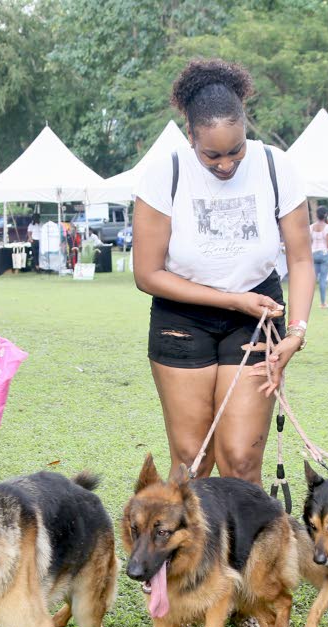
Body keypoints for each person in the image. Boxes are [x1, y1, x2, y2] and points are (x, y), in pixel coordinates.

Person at [133, 56, 313, 485]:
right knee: (192, 462)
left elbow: (302, 259)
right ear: (190, 134)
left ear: (246, 126)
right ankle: (192, 552)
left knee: (241, 461)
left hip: (257, 320)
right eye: (211, 154)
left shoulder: (276, 166)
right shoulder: (164, 174)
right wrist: (232, 300)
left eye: (236, 149)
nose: (226, 164)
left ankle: (243, 553)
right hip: (182, 318)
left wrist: (297, 334)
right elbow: (147, 273)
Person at [310, 205, 328, 310]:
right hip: (324, 253)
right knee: (323, 280)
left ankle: (307, 302)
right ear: (325, 215)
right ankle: (323, 302)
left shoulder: (311, 227)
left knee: (312, 280)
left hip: (313, 253)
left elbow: (310, 242)